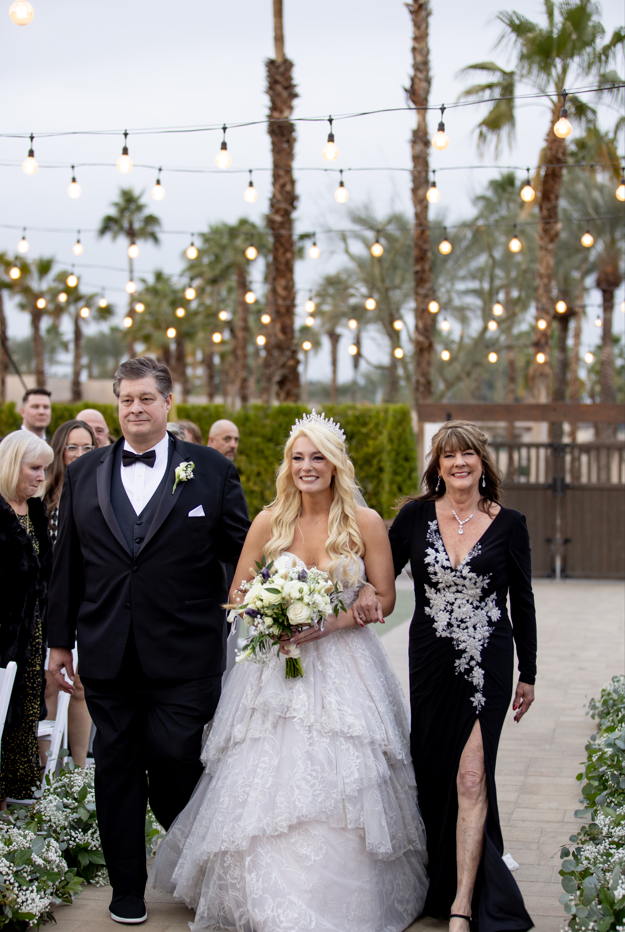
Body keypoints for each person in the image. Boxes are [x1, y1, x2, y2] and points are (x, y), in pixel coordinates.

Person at [151, 410, 429, 932]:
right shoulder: (269, 520)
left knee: (342, 780)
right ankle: (258, 896)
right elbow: (235, 594)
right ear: (288, 465)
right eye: (298, 457)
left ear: (334, 464)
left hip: (345, 665)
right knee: (263, 779)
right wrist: (269, 608)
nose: (307, 466)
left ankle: (340, 897)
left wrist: (332, 620)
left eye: (317, 456)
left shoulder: (364, 522)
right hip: (274, 669)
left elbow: (387, 599)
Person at [47, 356, 250, 926]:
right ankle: (127, 888)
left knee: (176, 755)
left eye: (146, 398)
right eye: (126, 399)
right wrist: (60, 643)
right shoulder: (86, 474)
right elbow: (68, 565)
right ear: (118, 405)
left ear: (167, 404)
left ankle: (193, 864)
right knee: (115, 766)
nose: (136, 408)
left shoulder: (210, 470)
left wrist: (277, 597)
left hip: (187, 651)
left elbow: (243, 551)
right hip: (108, 650)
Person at [356, 420, 536, 931]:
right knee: (433, 771)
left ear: (483, 462)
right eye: (448, 456)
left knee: (472, 774)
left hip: (489, 662)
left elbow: (522, 603)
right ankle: (436, 878)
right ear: (437, 466)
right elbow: (378, 567)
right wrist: (363, 589)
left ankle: (462, 903)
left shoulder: (511, 523)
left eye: (468, 455)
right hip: (431, 660)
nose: (459, 463)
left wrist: (531, 672)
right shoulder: (414, 517)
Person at [0, 431, 54, 806]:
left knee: (23, 720)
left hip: (32, 635)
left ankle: (10, 812)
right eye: (34, 468)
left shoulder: (35, 511)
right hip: (3, 637)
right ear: (10, 465)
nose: (41, 477)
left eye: (45, 470)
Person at [43, 419, 97, 770]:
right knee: (49, 686)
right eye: (72, 448)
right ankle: (42, 769)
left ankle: (79, 770)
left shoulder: (97, 493)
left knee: (80, 688)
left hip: (87, 606)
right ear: (59, 451)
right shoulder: (42, 499)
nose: (79, 455)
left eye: (87, 448)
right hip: (50, 607)